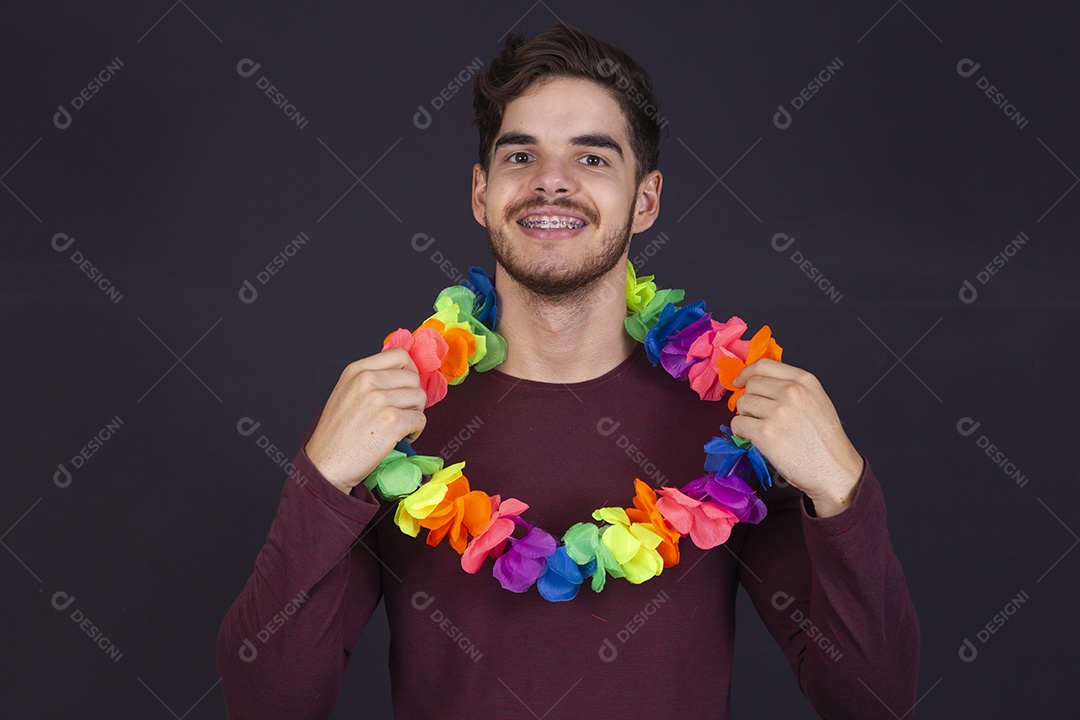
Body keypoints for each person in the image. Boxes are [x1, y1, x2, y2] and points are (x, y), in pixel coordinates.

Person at [216, 22, 920, 719]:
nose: (551, 183)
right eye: (521, 156)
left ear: (645, 200)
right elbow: (269, 703)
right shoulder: (389, 417)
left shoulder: (736, 421)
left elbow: (871, 701)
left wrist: (843, 489)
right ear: (479, 192)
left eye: (592, 159)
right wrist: (321, 482)